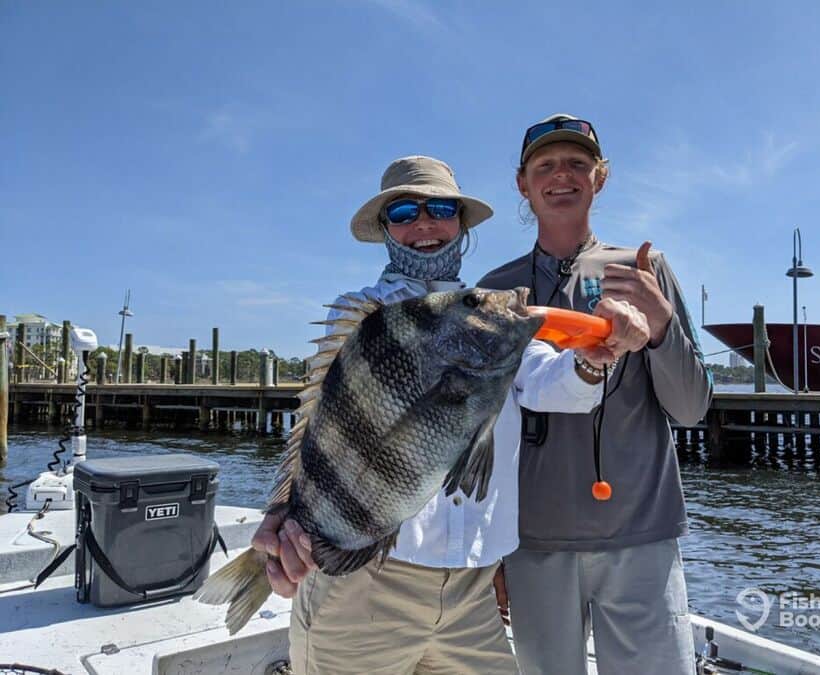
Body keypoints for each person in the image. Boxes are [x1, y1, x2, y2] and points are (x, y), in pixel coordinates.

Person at [250, 155, 651, 674]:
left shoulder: (486, 320)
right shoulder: (360, 314)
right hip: (367, 581)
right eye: (403, 212)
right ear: (384, 229)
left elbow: (555, 384)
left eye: (440, 208)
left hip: (472, 594)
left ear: (460, 223)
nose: (424, 224)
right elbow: (321, 432)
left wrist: (594, 363)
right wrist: (284, 510)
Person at [478, 114, 713, 675]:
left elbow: (691, 407)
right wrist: (490, 555)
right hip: (533, 543)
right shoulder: (491, 292)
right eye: (546, 166)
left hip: (642, 537)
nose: (563, 176)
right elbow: (481, 434)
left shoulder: (643, 268)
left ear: (600, 177)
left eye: (578, 164)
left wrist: (660, 328)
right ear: (523, 183)